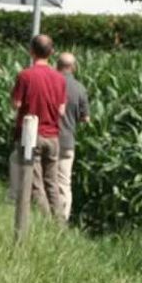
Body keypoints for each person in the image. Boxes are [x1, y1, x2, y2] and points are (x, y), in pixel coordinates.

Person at [9, 34, 67, 220]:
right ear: (51, 52)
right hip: (53, 136)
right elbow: (62, 110)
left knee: (34, 183)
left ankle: (46, 222)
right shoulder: (60, 78)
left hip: (31, 136)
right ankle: (60, 223)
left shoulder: (25, 76)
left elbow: (16, 104)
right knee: (52, 183)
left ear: (31, 51)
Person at [55, 51, 90, 222]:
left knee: (46, 180)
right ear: (74, 67)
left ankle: (44, 216)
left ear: (57, 65)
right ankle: (61, 221)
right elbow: (86, 118)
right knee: (64, 183)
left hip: (49, 137)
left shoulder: (51, 82)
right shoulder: (80, 88)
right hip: (68, 141)